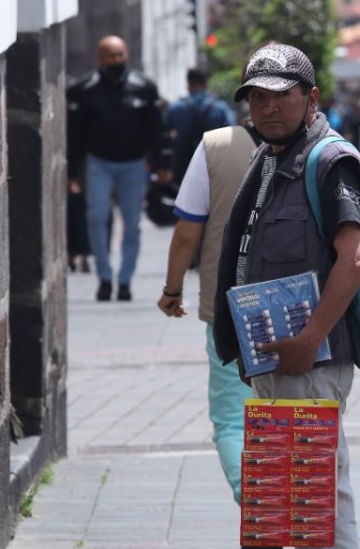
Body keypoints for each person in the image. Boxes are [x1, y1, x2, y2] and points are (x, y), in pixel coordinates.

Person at [211, 42, 360, 548]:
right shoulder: (269, 159)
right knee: (290, 492)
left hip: (313, 357)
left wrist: (310, 338)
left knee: (320, 488)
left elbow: (355, 259)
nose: (268, 107)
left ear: (312, 97)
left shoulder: (331, 161)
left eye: (282, 95)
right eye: (256, 97)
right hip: (275, 358)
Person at [156, 123, 260, 504]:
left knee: (233, 420)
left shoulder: (214, 146)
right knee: (297, 411)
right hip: (304, 304)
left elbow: (187, 231)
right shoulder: (324, 143)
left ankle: (254, 500)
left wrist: (172, 289)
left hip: (231, 300)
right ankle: (302, 514)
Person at [67, 35, 169, 302]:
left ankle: (124, 280)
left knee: (132, 223)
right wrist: (72, 173)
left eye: (120, 55)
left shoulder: (144, 88)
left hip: (134, 163)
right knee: (97, 217)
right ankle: (104, 277)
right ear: (100, 59)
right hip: (99, 162)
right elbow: (74, 134)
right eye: (111, 56)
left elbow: (155, 129)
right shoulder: (84, 90)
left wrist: (161, 164)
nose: (117, 61)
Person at [165, 68, 235, 185]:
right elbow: (233, 133)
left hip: (184, 168)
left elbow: (163, 133)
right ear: (205, 84)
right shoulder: (220, 107)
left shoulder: (175, 107)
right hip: (213, 164)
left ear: (188, 84)